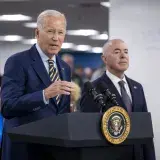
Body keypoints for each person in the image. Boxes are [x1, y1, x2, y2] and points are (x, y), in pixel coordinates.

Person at [1, 10, 76, 160]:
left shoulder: (64, 67)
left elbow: (57, 110)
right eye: (50, 31)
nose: (56, 38)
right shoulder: (18, 62)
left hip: (53, 148)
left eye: (60, 32)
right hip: (24, 148)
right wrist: (44, 95)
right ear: (37, 33)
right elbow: (7, 107)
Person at [80, 39, 156, 160]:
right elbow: (87, 130)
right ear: (104, 59)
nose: (123, 55)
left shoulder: (137, 87)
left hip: (137, 155)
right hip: (110, 155)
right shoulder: (93, 89)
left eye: (126, 52)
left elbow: (144, 128)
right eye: (117, 52)